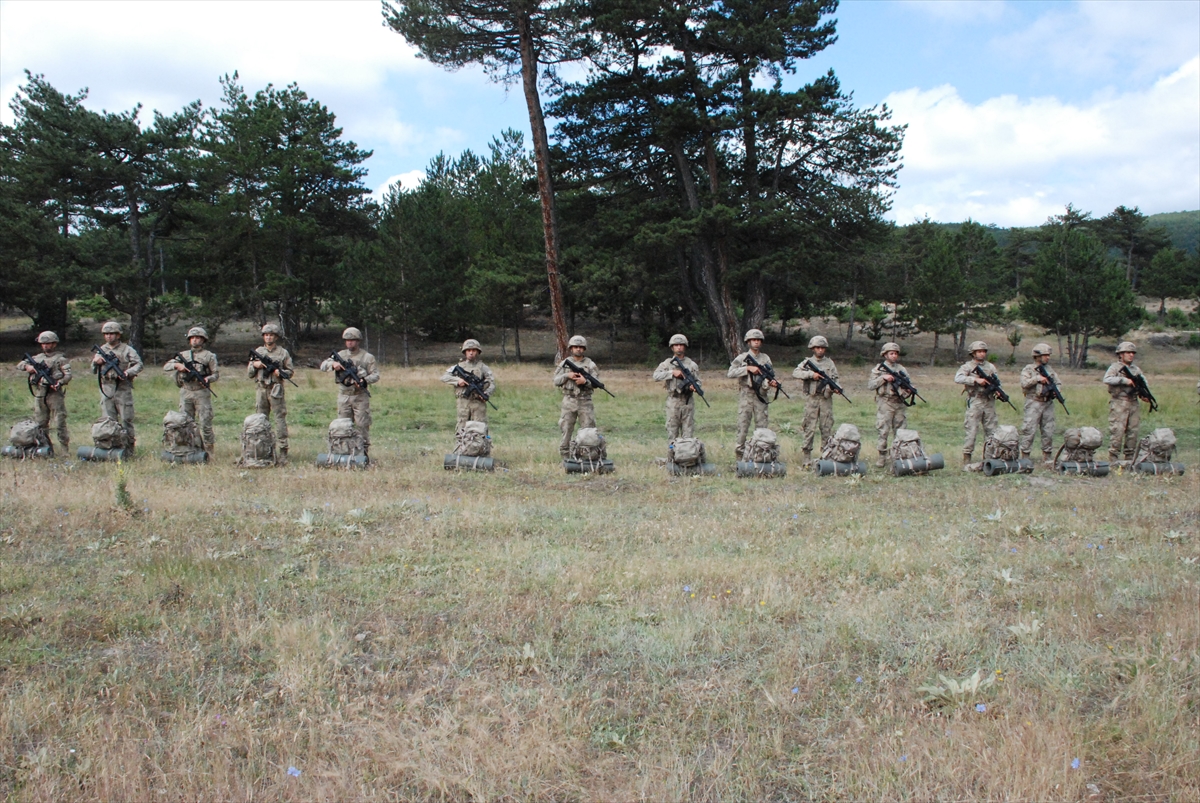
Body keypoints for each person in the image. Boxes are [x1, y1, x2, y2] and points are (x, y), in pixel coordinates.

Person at [319, 327, 380, 457]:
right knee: (342, 427)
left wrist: (364, 381)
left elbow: (376, 375)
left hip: (360, 396)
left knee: (362, 426)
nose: (350, 343)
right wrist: (333, 364)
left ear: (358, 341)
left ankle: (363, 456)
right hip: (344, 396)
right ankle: (343, 454)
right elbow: (323, 366)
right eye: (347, 340)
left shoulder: (367, 357)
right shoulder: (341, 355)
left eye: (352, 340)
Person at [164, 326, 220, 458]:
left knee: (205, 422)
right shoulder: (183, 355)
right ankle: (188, 448)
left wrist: (207, 379)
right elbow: (166, 366)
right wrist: (177, 366)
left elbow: (216, 374)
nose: (195, 340)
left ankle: (208, 451)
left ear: (203, 340)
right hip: (186, 391)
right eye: (192, 338)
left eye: (198, 338)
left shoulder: (209, 356)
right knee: (184, 422)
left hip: (201, 392)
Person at [90, 320, 143, 454]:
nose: (109, 336)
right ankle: (111, 448)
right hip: (107, 387)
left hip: (123, 388)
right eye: (106, 334)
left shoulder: (127, 349)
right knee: (108, 420)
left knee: (126, 419)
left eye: (112, 334)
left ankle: (129, 449)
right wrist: (96, 362)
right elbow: (93, 370)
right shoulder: (101, 350)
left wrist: (127, 372)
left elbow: (139, 364)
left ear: (118, 335)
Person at [727, 329, 779, 460]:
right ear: (748, 342)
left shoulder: (765, 358)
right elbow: (730, 373)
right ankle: (740, 457)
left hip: (761, 396)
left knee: (762, 428)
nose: (756, 342)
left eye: (758, 340)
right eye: (753, 340)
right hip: (746, 395)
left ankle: (760, 456)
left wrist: (772, 383)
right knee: (743, 426)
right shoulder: (742, 358)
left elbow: (770, 375)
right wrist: (747, 369)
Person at [17, 331, 72, 454]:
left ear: (54, 344)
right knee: (40, 423)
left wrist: (60, 382)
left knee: (60, 422)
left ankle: (64, 449)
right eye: (43, 343)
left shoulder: (60, 359)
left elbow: (68, 375)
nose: (45, 346)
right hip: (40, 394)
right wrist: (28, 367)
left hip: (55, 394)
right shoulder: (37, 358)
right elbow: (20, 364)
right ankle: (45, 448)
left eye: (48, 343)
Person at [248, 323, 294, 461]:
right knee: (260, 420)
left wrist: (279, 372)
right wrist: (254, 365)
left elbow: (290, 372)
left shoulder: (283, 353)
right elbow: (250, 373)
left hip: (276, 388)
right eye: (266, 335)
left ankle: (283, 449)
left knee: (279, 419)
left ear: (276, 337)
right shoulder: (258, 352)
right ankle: (262, 449)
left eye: (271, 335)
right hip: (261, 388)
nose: (268, 337)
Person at [793, 335, 839, 467]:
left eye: (822, 348)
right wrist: (811, 375)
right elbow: (796, 373)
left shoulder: (830, 363)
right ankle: (806, 456)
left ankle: (825, 455)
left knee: (826, 427)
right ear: (813, 348)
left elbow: (835, 378)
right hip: (812, 399)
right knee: (809, 427)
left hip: (826, 399)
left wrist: (835, 388)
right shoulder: (807, 362)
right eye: (817, 348)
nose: (820, 350)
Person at [954, 340, 1001, 468]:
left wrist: (998, 391)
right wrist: (975, 380)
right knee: (972, 430)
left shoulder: (990, 367)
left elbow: (997, 382)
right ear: (973, 353)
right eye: (979, 352)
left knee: (991, 431)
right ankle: (967, 459)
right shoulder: (967, 367)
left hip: (989, 401)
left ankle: (989, 458)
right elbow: (958, 378)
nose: (982, 354)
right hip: (975, 400)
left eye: (984, 351)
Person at [554, 335, 600, 459]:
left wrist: (585, 382)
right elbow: (556, 380)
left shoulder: (590, 364)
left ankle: (588, 457)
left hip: (585, 400)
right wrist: (567, 375)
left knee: (588, 431)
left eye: (581, 347)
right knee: (566, 429)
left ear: (584, 349)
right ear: (571, 348)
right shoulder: (565, 363)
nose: (578, 349)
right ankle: (565, 458)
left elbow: (596, 382)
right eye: (575, 347)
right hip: (569, 400)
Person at [867, 342, 910, 468]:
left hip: (899, 403)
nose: (894, 356)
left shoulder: (901, 369)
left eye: (896, 353)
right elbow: (870, 385)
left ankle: (898, 455)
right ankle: (882, 457)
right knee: (883, 430)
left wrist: (908, 391)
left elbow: (908, 384)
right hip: (885, 402)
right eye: (891, 353)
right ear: (885, 355)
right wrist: (883, 378)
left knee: (901, 431)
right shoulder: (879, 369)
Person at [1103, 341, 1146, 462]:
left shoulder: (1136, 369)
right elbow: (1107, 379)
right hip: (1119, 402)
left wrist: (1144, 394)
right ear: (1120, 354)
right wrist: (1123, 380)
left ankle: (1129, 459)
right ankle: (1113, 459)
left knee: (1133, 431)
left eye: (1133, 353)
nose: (1131, 355)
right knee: (1118, 431)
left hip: (1133, 402)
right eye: (1128, 352)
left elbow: (1144, 383)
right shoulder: (1115, 367)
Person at [652, 334, 700, 441]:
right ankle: (672, 456)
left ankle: (686, 455)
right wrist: (672, 372)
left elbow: (698, 382)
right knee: (672, 432)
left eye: (681, 345)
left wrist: (694, 387)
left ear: (685, 347)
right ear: (672, 347)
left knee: (688, 433)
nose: (679, 347)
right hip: (673, 401)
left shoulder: (692, 365)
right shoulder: (667, 364)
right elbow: (655, 376)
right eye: (676, 345)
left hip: (687, 402)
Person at [441, 338, 496, 431]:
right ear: (465, 352)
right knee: (461, 428)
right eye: (469, 350)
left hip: (478, 402)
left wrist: (486, 393)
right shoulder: (458, 367)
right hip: (463, 402)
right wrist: (457, 380)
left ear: (478, 352)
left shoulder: (483, 367)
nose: (471, 353)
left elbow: (492, 383)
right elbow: (444, 377)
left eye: (474, 350)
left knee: (479, 429)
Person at [1019, 342, 1060, 466]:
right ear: (1037, 356)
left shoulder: (1050, 370)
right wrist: (1037, 379)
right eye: (1045, 355)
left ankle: (1047, 456)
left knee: (1048, 430)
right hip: (1034, 403)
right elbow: (1024, 384)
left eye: (1048, 355)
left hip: (1047, 403)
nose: (1048, 357)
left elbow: (1058, 383)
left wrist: (1056, 392)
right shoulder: (1028, 369)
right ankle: (1025, 455)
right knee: (1029, 430)